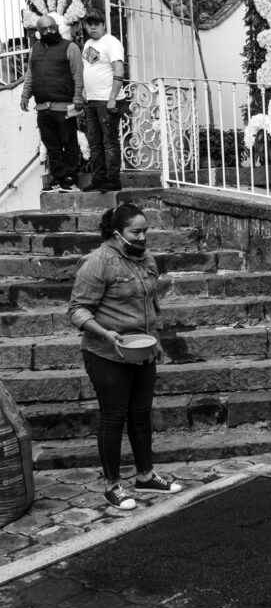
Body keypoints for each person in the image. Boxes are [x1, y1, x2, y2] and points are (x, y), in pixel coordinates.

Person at [68, 202, 181, 510]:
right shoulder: (98, 262)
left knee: (141, 415)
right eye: (136, 232)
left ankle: (146, 476)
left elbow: (151, 304)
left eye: (146, 230)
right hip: (106, 354)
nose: (143, 237)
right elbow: (77, 310)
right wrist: (106, 333)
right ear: (117, 233)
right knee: (114, 417)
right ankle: (113, 486)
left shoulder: (147, 260)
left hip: (142, 351)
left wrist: (155, 338)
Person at [20, 14, 84, 192]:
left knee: (69, 142)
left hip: (65, 107)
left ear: (56, 27)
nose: (49, 31)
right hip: (42, 108)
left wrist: (78, 96)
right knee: (52, 146)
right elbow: (30, 75)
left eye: (52, 27)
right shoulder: (34, 49)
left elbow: (77, 74)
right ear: (39, 32)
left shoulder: (70, 47)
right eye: (44, 29)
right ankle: (58, 179)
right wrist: (25, 95)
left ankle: (71, 179)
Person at [82, 11, 126, 192]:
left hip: (107, 101)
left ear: (103, 25)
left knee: (109, 141)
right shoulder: (89, 44)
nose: (92, 27)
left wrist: (112, 99)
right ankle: (99, 178)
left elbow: (119, 71)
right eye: (89, 24)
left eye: (96, 23)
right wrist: (85, 91)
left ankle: (113, 180)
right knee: (94, 142)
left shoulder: (112, 43)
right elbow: (91, 67)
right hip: (92, 101)